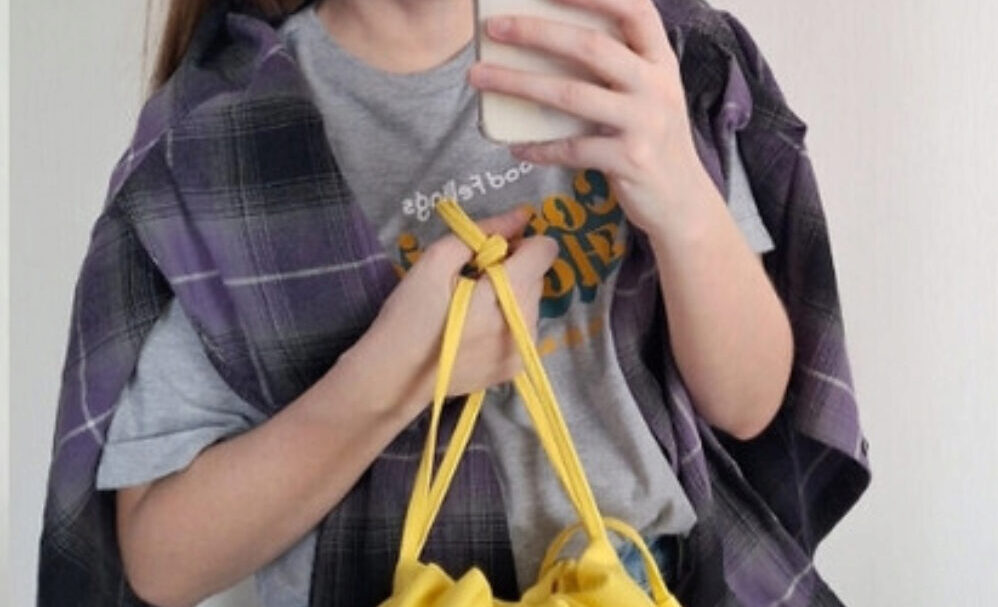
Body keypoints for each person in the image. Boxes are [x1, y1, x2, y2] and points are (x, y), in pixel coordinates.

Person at [39, 0, 871, 605]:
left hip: (653, 577)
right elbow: (161, 558)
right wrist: (391, 377)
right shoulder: (224, 142)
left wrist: (682, 194)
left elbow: (749, 400)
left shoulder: (637, 49)